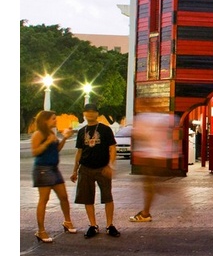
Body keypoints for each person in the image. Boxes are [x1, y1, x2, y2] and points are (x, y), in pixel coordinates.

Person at [70, 103, 119, 238]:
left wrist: (110, 165)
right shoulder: (82, 131)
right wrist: (75, 170)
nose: (90, 114)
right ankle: (93, 225)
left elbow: (112, 148)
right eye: (87, 112)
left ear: (97, 113)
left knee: (107, 197)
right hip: (85, 168)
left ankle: (110, 225)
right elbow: (79, 151)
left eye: (93, 111)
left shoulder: (105, 129)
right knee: (87, 198)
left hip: (102, 167)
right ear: (84, 114)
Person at [30, 110, 78, 243]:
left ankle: (67, 222)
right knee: (44, 200)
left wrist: (65, 138)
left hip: (54, 169)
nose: (55, 120)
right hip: (42, 169)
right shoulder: (38, 134)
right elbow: (34, 152)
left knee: (64, 197)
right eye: (53, 119)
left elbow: (56, 150)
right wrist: (46, 142)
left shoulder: (52, 133)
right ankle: (41, 231)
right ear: (45, 120)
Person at [129, 112, 178, 222]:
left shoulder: (144, 117)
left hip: (150, 156)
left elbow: (139, 135)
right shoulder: (165, 117)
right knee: (149, 185)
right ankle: (146, 211)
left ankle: (145, 213)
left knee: (149, 185)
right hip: (158, 155)